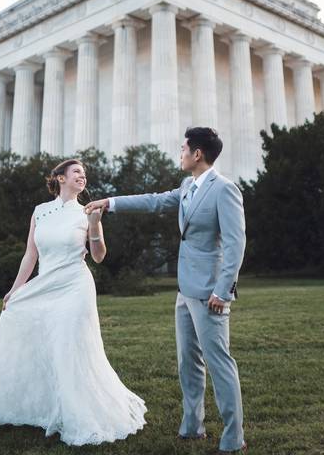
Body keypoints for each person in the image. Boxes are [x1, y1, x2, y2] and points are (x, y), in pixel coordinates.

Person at [84, 126, 248, 454]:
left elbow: (235, 243)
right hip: (184, 290)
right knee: (188, 361)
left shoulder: (225, 189)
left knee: (219, 362)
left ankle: (234, 437)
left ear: (197, 154)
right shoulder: (188, 186)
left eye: (183, 148)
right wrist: (110, 203)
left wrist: (224, 290)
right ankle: (192, 426)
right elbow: (155, 202)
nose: (181, 154)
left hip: (210, 293)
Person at [0, 158, 147, 446]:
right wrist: (15, 289)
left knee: (68, 345)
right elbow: (30, 255)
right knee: (27, 328)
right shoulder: (40, 212)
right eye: (76, 172)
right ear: (60, 178)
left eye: (84, 174)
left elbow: (98, 256)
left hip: (75, 285)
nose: (82, 177)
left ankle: (77, 411)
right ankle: (38, 406)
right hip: (46, 283)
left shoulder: (86, 212)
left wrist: (95, 225)